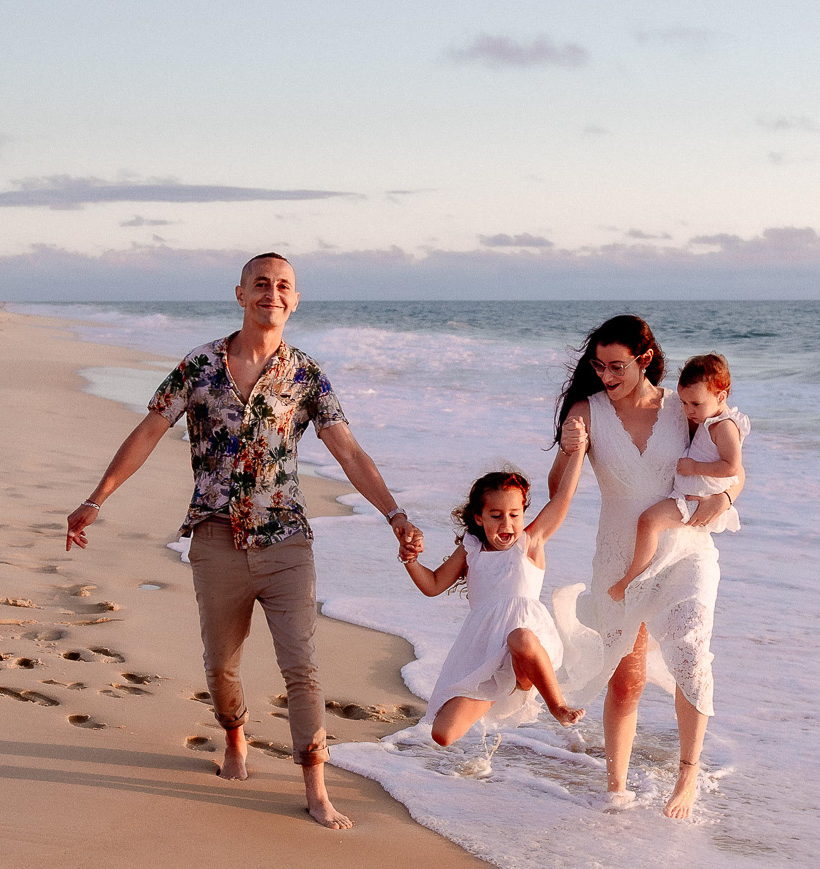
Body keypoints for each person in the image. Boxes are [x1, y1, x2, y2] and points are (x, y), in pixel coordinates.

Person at [65, 253, 423, 830]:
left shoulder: (306, 375)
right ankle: (235, 736)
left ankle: (316, 786)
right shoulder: (199, 365)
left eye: (283, 286)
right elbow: (150, 429)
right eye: (262, 284)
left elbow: (349, 451)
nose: (272, 294)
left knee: (302, 667)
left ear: (296, 300)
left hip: (287, 542)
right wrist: (95, 498)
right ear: (240, 294)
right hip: (215, 541)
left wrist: (395, 514)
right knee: (221, 666)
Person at [549, 315, 743, 821]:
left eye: (617, 366)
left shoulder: (685, 407)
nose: (607, 376)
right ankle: (615, 788)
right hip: (620, 556)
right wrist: (571, 446)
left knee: (691, 648)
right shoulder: (586, 411)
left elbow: (732, 467)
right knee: (625, 676)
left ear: (645, 360)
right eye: (599, 366)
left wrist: (724, 499)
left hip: (685, 547)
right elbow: (557, 490)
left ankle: (687, 775)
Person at [404, 419, 589, 747]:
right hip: (485, 652)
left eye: (515, 514)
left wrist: (579, 450)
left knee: (519, 637)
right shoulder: (471, 551)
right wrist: (410, 560)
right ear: (479, 517)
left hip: (527, 653)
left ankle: (556, 704)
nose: (508, 523)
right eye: (496, 515)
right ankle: (498, 690)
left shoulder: (530, 543)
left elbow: (563, 496)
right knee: (442, 734)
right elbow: (432, 585)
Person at [608, 353, 748, 602]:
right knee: (650, 525)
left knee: (649, 522)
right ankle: (640, 580)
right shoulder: (708, 418)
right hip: (689, 494)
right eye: (684, 402)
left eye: (695, 404)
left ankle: (631, 580)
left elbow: (732, 468)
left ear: (721, 397)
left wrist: (694, 467)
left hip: (697, 499)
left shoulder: (725, 426)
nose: (688, 411)